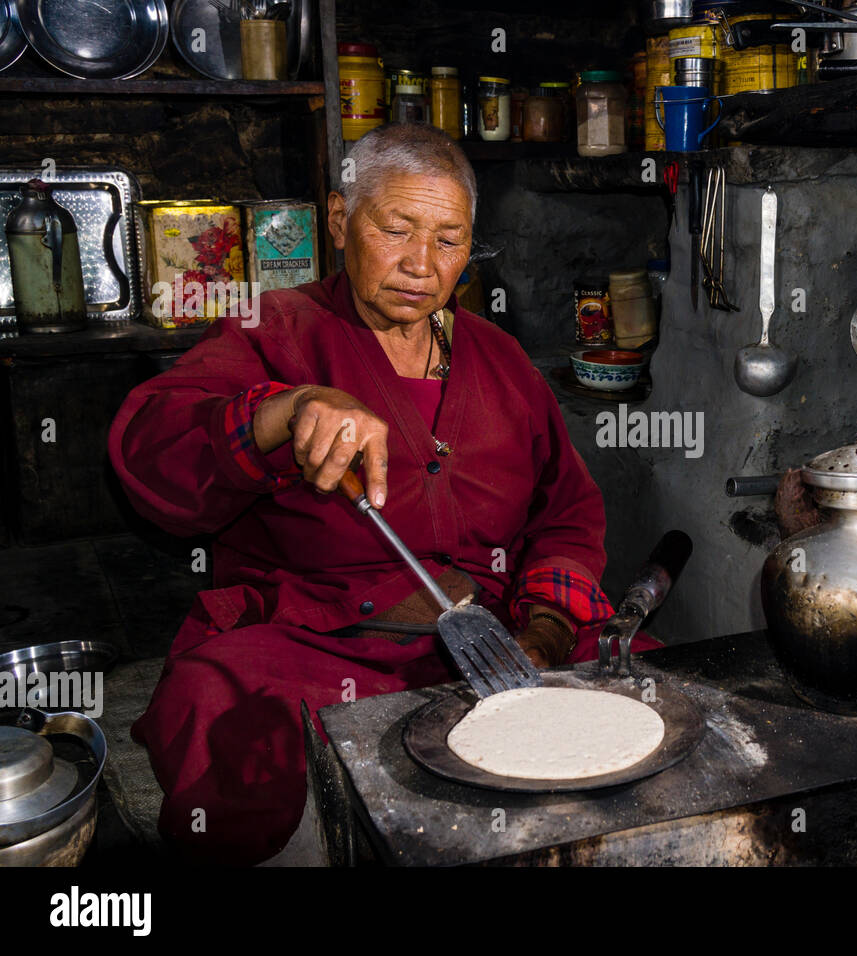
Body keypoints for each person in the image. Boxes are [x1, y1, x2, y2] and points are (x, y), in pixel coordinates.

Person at [109, 123, 651, 864]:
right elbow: (149, 456)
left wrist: (547, 632)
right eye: (395, 230)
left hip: (496, 636)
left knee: (649, 691)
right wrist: (284, 411)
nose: (422, 266)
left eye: (449, 240)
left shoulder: (499, 357)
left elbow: (566, 514)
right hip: (319, 638)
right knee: (219, 709)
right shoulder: (276, 329)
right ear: (339, 221)